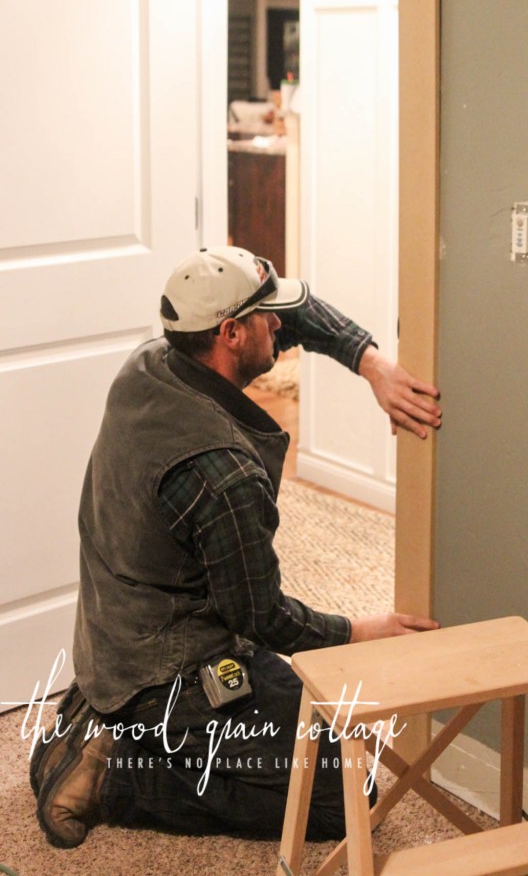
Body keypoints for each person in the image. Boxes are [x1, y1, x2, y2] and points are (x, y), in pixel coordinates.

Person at [32, 246, 441, 849]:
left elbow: (296, 316)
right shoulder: (221, 472)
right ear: (230, 334)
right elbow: (261, 617)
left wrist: (372, 362)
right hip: (174, 672)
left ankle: (101, 716)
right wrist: (357, 631)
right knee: (346, 791)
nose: (280, 324)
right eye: (265, 316)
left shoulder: (149, 365)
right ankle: (115, 775)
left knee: (314, 735)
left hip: (114, 641)